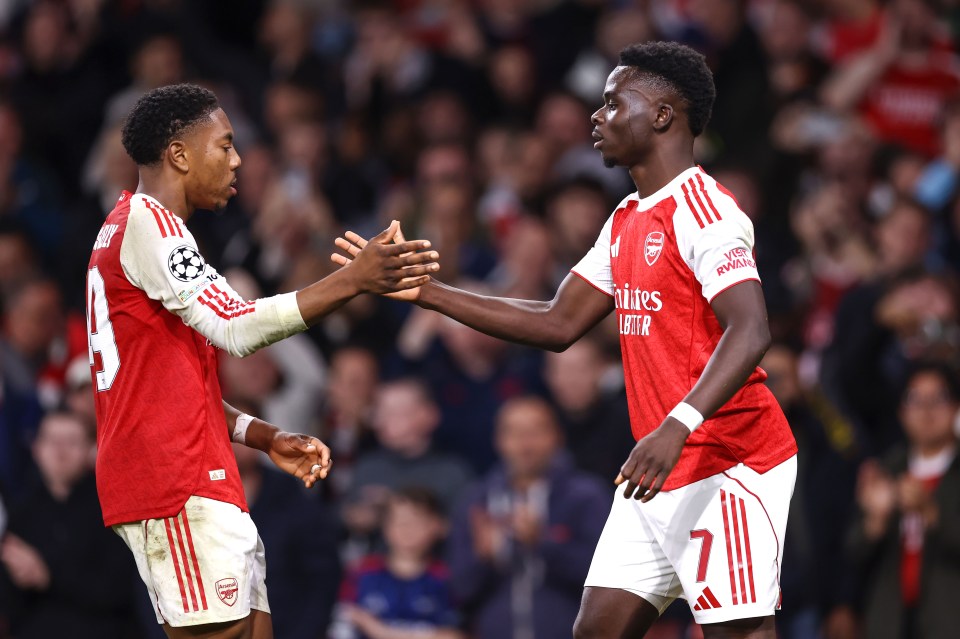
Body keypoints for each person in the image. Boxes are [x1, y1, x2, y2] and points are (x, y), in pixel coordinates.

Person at [334, 41, 798, 638]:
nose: (596, 117)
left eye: (612, 103)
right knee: (595, 631)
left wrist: (677, 424)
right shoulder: (629, 216)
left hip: (728, 458)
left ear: (662, 114)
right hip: (659, 465)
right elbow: (557, 322)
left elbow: (752, 328)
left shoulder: (706, 210)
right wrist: (429, 293)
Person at [85, 83, 438, 639]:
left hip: (199, 475)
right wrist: (353, 279)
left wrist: (264, 436)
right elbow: (236, 326)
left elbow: (170, 386)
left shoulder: (139, 228)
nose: (237, 160)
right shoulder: (150, 226)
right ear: (178, 154)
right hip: (174, 483)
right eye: (224, 146)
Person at [448, 396, 609, 639]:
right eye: (514, 433)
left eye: (535, 432)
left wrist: (542, 542)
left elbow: (607, 581)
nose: (525, 444)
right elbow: (459, 590)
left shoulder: (586, 496)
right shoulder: (476, 499)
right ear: (498, 440)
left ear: (557, 436)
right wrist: (482, 559)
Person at [845, 363, 960, 639]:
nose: (926, 410)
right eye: (915, 399)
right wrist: (876, 521)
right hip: (890, 622)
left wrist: (932, 514)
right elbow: (852, 552)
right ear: (901, 412)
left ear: (956, 407)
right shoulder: (888, 468)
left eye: (938, 398)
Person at [333, 487, 463, 639]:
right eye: (399, 522)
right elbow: (343, 623)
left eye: (417, 522)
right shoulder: (362, 572)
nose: (407, 530)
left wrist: (382, 632)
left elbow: (456, 634)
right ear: (385, 527)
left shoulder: (445, 577)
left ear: (436, 526)